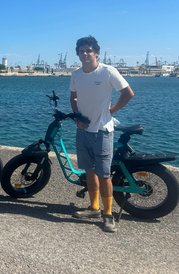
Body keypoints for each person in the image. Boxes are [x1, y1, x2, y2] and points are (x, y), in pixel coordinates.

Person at [70, 35, 134, 232]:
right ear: (78, 54)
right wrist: (77, 117)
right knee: (89, 170)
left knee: (104, 174)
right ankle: (94, 208)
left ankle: (108, 214)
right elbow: (73, 97)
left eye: (89, 50)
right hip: (83, 130)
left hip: (103, 130)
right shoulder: (76, 74)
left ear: (96, 52)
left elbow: (128, 93)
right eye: (82, 51)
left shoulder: (107, 71)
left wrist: (111, 111)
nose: (85, 54)